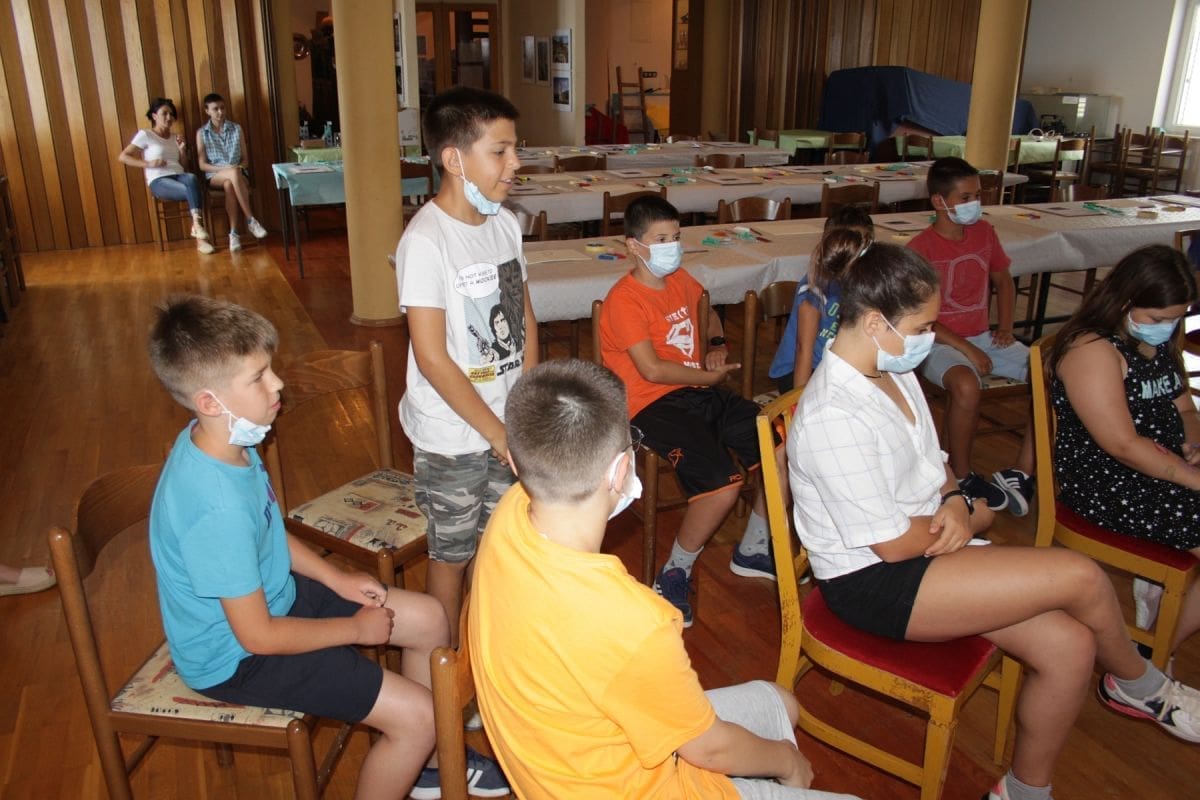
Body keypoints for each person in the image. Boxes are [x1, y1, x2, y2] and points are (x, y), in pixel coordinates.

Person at [788, 243, 1200, 800]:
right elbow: (891, 545)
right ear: (877, 323)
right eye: (924, 327)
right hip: (874, 581)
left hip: (927, 541)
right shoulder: (834, 413)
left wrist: (957, 500)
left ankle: (1023, 792)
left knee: (1070, 647)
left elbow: (933, 463)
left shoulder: (888, 369)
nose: (931, 338)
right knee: (1080, 576)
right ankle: (1141, 685)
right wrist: (972, 516)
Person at [146, 295, 504, 800]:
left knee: (427, 617)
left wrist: (336, 578)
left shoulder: (229, 442)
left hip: (277, 601)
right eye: (258, 377)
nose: (277, 384)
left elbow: (267, 533)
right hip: (237, 658)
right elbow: (259, 637)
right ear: (209, 402)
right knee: (421, 716)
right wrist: (355, 629)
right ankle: (419, 738)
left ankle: (423, 767)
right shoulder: (214, 506)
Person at [469, 358, 860, 800]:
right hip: (643, 787)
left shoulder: (508, 514)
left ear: (515, 462)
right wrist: (788, 762)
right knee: (795, 756)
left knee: (780, 704)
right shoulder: (635, 621)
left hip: (557, 753)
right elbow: (709, 749)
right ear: (620, 470)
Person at [394, 86, 537, 649]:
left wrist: (522, 407)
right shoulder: (426, 241)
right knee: (451, 556)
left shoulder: (505, 224)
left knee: (497, 545)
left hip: (505, 423)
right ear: (454, 159)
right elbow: (432, 358)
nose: (515, 162)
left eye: (514, 148)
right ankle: (443, 669)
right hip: (453, 436)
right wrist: (498, 433)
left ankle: (484, 657)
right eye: (500, 151)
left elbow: (524, 317)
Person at [598, 195, 772, 627]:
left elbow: (707, 314)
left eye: (675, 237)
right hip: (651, 404)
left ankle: (753, 547)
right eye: (661, 240)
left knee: (781, 445)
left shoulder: (680, 279)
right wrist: (707, 378)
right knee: (721, 487)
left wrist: (715, 346)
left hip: (698, 390)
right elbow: (652, 370)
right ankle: (675, 571)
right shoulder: (625, 300)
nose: (671, 247)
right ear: (634, 245)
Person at [1048, 243, 1200, 665]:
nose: (1168, 329)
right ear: (1125, 302)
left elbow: (1185, 409)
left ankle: (1156, 641)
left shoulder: (1153, 343)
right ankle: (1149, 656)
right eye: (1158, 319)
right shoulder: (1091, 350)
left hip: (1161, 468)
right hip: (1108, 482)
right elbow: (1122, 445)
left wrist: (1194, 446)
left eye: (1176, 319)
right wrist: (1191, 477)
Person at [907, 156, 1035, 515]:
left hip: (983, 335)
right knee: (966, 384)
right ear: (939, 201)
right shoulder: (920, 250)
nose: (974, 203)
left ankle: (1023, 470)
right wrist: (967, 349)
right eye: (965, 197)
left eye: (977, 195)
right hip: (937, 341)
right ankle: (961, 475)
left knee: (1053, 373)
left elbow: (1003, 281)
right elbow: (920, 319)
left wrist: (1005, 327)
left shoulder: (984, 233)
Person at [768, 205, 874, 393]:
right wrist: (800, 403)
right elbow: (803, 349)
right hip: (801, 368)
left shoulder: (867, 282)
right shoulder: (815, 288)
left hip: (837, 366)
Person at [118, 98, 213, 255]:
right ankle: (200, 238)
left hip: (179, 175)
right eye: (165, 114)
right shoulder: (145, 134)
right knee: (191, 189)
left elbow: (184, 167)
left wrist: (182, 150)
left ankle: (197, 226)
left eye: (171, 114)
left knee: (191, 178)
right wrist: (148, 164)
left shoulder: (176, 137)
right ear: (154, 116)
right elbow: (123, 157)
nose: (169, 117)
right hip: (159, 180)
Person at [195, 92, 268, 253]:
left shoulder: (236, 128)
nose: (220, 112)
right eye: (215, 109)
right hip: (215, 175)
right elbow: (202, 165)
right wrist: (226, 169)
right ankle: (251, 220)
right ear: (207, 111)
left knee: (230, 184)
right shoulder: (202, 133)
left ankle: (233, 234)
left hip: (239, 173)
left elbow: (245, 160)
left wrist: (236, 169)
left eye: (222, 108)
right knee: (232, 174)